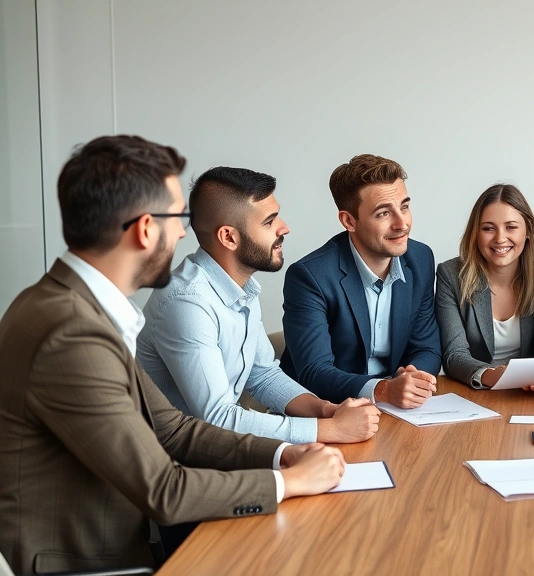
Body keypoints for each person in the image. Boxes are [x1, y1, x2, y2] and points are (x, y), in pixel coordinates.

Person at [0, 136, 344, 575]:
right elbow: (164, 490)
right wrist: (288, 482)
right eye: (177, 217)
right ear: (145, 229)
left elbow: (173, 427)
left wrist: (281, 455)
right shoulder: (71, 331)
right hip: (88, 565)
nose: (184, 231)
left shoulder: (78, 308)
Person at [137, 166, 380, 444]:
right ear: (229, 237)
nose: (284, 227)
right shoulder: (186, 303)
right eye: (269, 221)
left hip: (211, 447)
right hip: (170, 459)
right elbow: (217, 418)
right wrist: (330, 430)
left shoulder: (242, 287)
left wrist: (326, 410)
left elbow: (263, 375)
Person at [281, 154, 440, 407]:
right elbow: (314, 372)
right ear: (349, 221)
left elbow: (427, 347)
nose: (402, 224)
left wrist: (411, 376)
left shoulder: (420, 259)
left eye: (405, 207)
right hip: (326, 409)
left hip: (395, 408)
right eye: (383, 213)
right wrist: (384, 389)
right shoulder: (310, 276)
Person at [436, 184, 534, 391]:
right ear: (475, 233)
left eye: (511, 227)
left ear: (528, 231)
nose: (500, 238)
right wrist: (493, 374)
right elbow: (454, 355)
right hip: (476, 393)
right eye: (488, 228)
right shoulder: (451, 275)